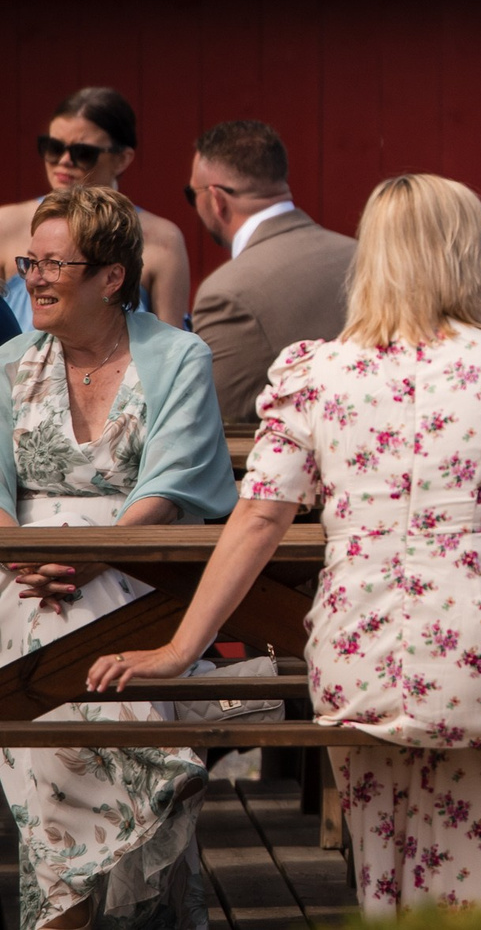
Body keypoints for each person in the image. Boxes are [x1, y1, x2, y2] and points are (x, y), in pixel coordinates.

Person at [94, 173, 481, 912]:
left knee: (384, 843)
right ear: (464, 258)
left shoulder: (315, 374)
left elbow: (257, 520)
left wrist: (179, 649)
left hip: (362, 657)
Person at [0, 187, 234, 930]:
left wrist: (92, 555)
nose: (33, 277)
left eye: (53, 263)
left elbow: (170, 482)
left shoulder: (176, 356)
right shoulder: (6, 362)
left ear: (110, 276)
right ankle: (152, 778)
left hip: (137, 567)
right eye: (28, 260)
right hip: (18, 573)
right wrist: (20, 553)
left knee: (77, 634)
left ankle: (65, 910)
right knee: (37, 631)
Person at [184, 120, 358, 425]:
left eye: (191, 194)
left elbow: (216, 421)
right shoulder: (363, 256)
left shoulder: (227, 293)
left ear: (216, 199)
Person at [1, 90, 190, 328]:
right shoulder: (6, 224)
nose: (64, 161)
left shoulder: (163, 238)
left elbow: (170, 346)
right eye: (53, 147)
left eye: (83, 153)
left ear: (122, 159)